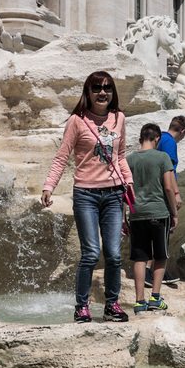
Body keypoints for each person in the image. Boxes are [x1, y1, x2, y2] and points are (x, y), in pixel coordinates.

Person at [41, 71, 134, 323]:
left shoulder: (119, 118)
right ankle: (81, 306)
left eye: (107, 88)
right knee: (91, 253)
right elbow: (62, 157)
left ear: (113, 92)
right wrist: (49, 186)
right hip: (86, 196)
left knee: (114, 254)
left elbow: (121, 156)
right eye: (96, 88)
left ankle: (111, 305)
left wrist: (129, 182)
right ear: (88, 92)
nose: (102, 92)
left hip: (115, 194)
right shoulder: (76, 121)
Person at [125, 123, 178, 315]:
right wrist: (174, 213)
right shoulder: (163, 157)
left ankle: (139, 302)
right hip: (159, 213)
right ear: (157, 139)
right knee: (160, 256)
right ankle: (155, 298)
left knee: (140, 258)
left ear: (140, 140)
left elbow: (126, 191)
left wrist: (125, 216)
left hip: (137, 214)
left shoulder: (129, 160)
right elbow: (169, 188)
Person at [146, 115, 185, 287]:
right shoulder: (170, 142)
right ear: (183, 131)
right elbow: (169, 171)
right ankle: (155, 273)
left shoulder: (158, 139)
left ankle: (155, 272)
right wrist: (176, 193)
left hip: (152, 191)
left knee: (155, 235)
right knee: (162, 235)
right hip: (163, 194)